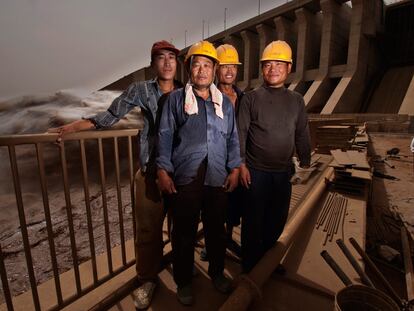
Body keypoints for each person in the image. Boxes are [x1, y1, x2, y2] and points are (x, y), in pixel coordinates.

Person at [48, 40, 182, 310]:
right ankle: (147, 280)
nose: (167, 62)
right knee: (147, 232)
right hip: (150, 172)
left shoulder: (186, 91)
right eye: (161, 58)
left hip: (182, 173)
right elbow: (111, 115)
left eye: (172, 57)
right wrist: (72, 127)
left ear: (177, 63)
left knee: (182, 228)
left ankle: (182, 274)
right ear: (153, 64)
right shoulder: (141, 89)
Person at [156, 40, 241, 306]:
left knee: (216, 229)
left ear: (214, 69)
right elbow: (165, 136)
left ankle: (216, 273)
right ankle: (183, 282)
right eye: (197, 65)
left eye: (207, 65)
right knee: (184, 232)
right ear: (189, 70)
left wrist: (236, 166)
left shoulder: (224, 104)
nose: (202, 70)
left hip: (217, 174)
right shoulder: (175, 100)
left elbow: (233, 138)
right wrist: (163, 170)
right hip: (187, 176)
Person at [237, 40, 311, 273]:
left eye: (279, 64)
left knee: (276, 221)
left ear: (289, 69)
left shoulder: (296, 100)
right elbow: (240, 132)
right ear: (262, 68)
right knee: (252, 222)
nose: (273, 69)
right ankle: (249, 266)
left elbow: (301, 132)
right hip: (256, 172)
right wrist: (241, 164)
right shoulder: (250, 98)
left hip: (283, 173)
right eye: (268, 64)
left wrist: (305, 162)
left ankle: (268, 261)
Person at [200, 44, 243, 261]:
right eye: (225, 65)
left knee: (233, 206)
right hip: (214, 160)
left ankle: (226, 238)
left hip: (236, 160)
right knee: (212, 209)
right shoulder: (207, 95)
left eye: (233, 66)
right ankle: (211, 243)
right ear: (217, 68)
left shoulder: (244, 97)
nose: (229, 71)